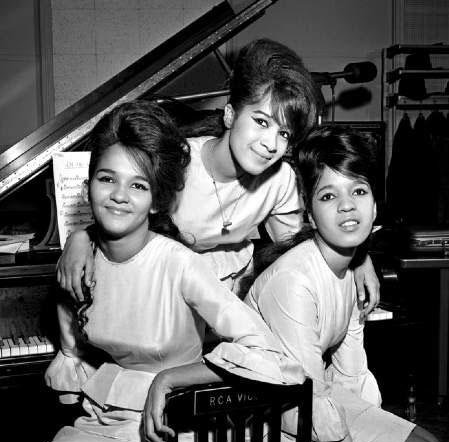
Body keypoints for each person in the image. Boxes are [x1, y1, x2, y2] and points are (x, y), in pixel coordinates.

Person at [0, 101, 304, 442]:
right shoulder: (81, 259)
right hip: (99, 424)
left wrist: (169, 379)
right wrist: (79, 240)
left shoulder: (181, 265)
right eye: (107, 179)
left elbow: (271, 355)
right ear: (88, 185)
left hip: (168, 435)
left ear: (157, 200)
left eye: (138, 185)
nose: (119, 197)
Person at [56, 38, 380, 318]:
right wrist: (80, 238)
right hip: (164, 297)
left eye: (284, 132)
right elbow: (121, 208)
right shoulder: (178, 162)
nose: (271, 144)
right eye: (261, 121)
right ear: (229, 114)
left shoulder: (280, 181)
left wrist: (357, 259)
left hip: (236, 301)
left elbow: (298, 250)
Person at [244, 125, 449, 442]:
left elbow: (352, 375)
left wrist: (379, 436)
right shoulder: (292, 281)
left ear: (374, 205)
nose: (347, 206)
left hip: (318, 404)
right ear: (308, 212)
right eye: (328, 195)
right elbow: (305, 410)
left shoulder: (351, 268)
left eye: (358, 191)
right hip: (268, 427)